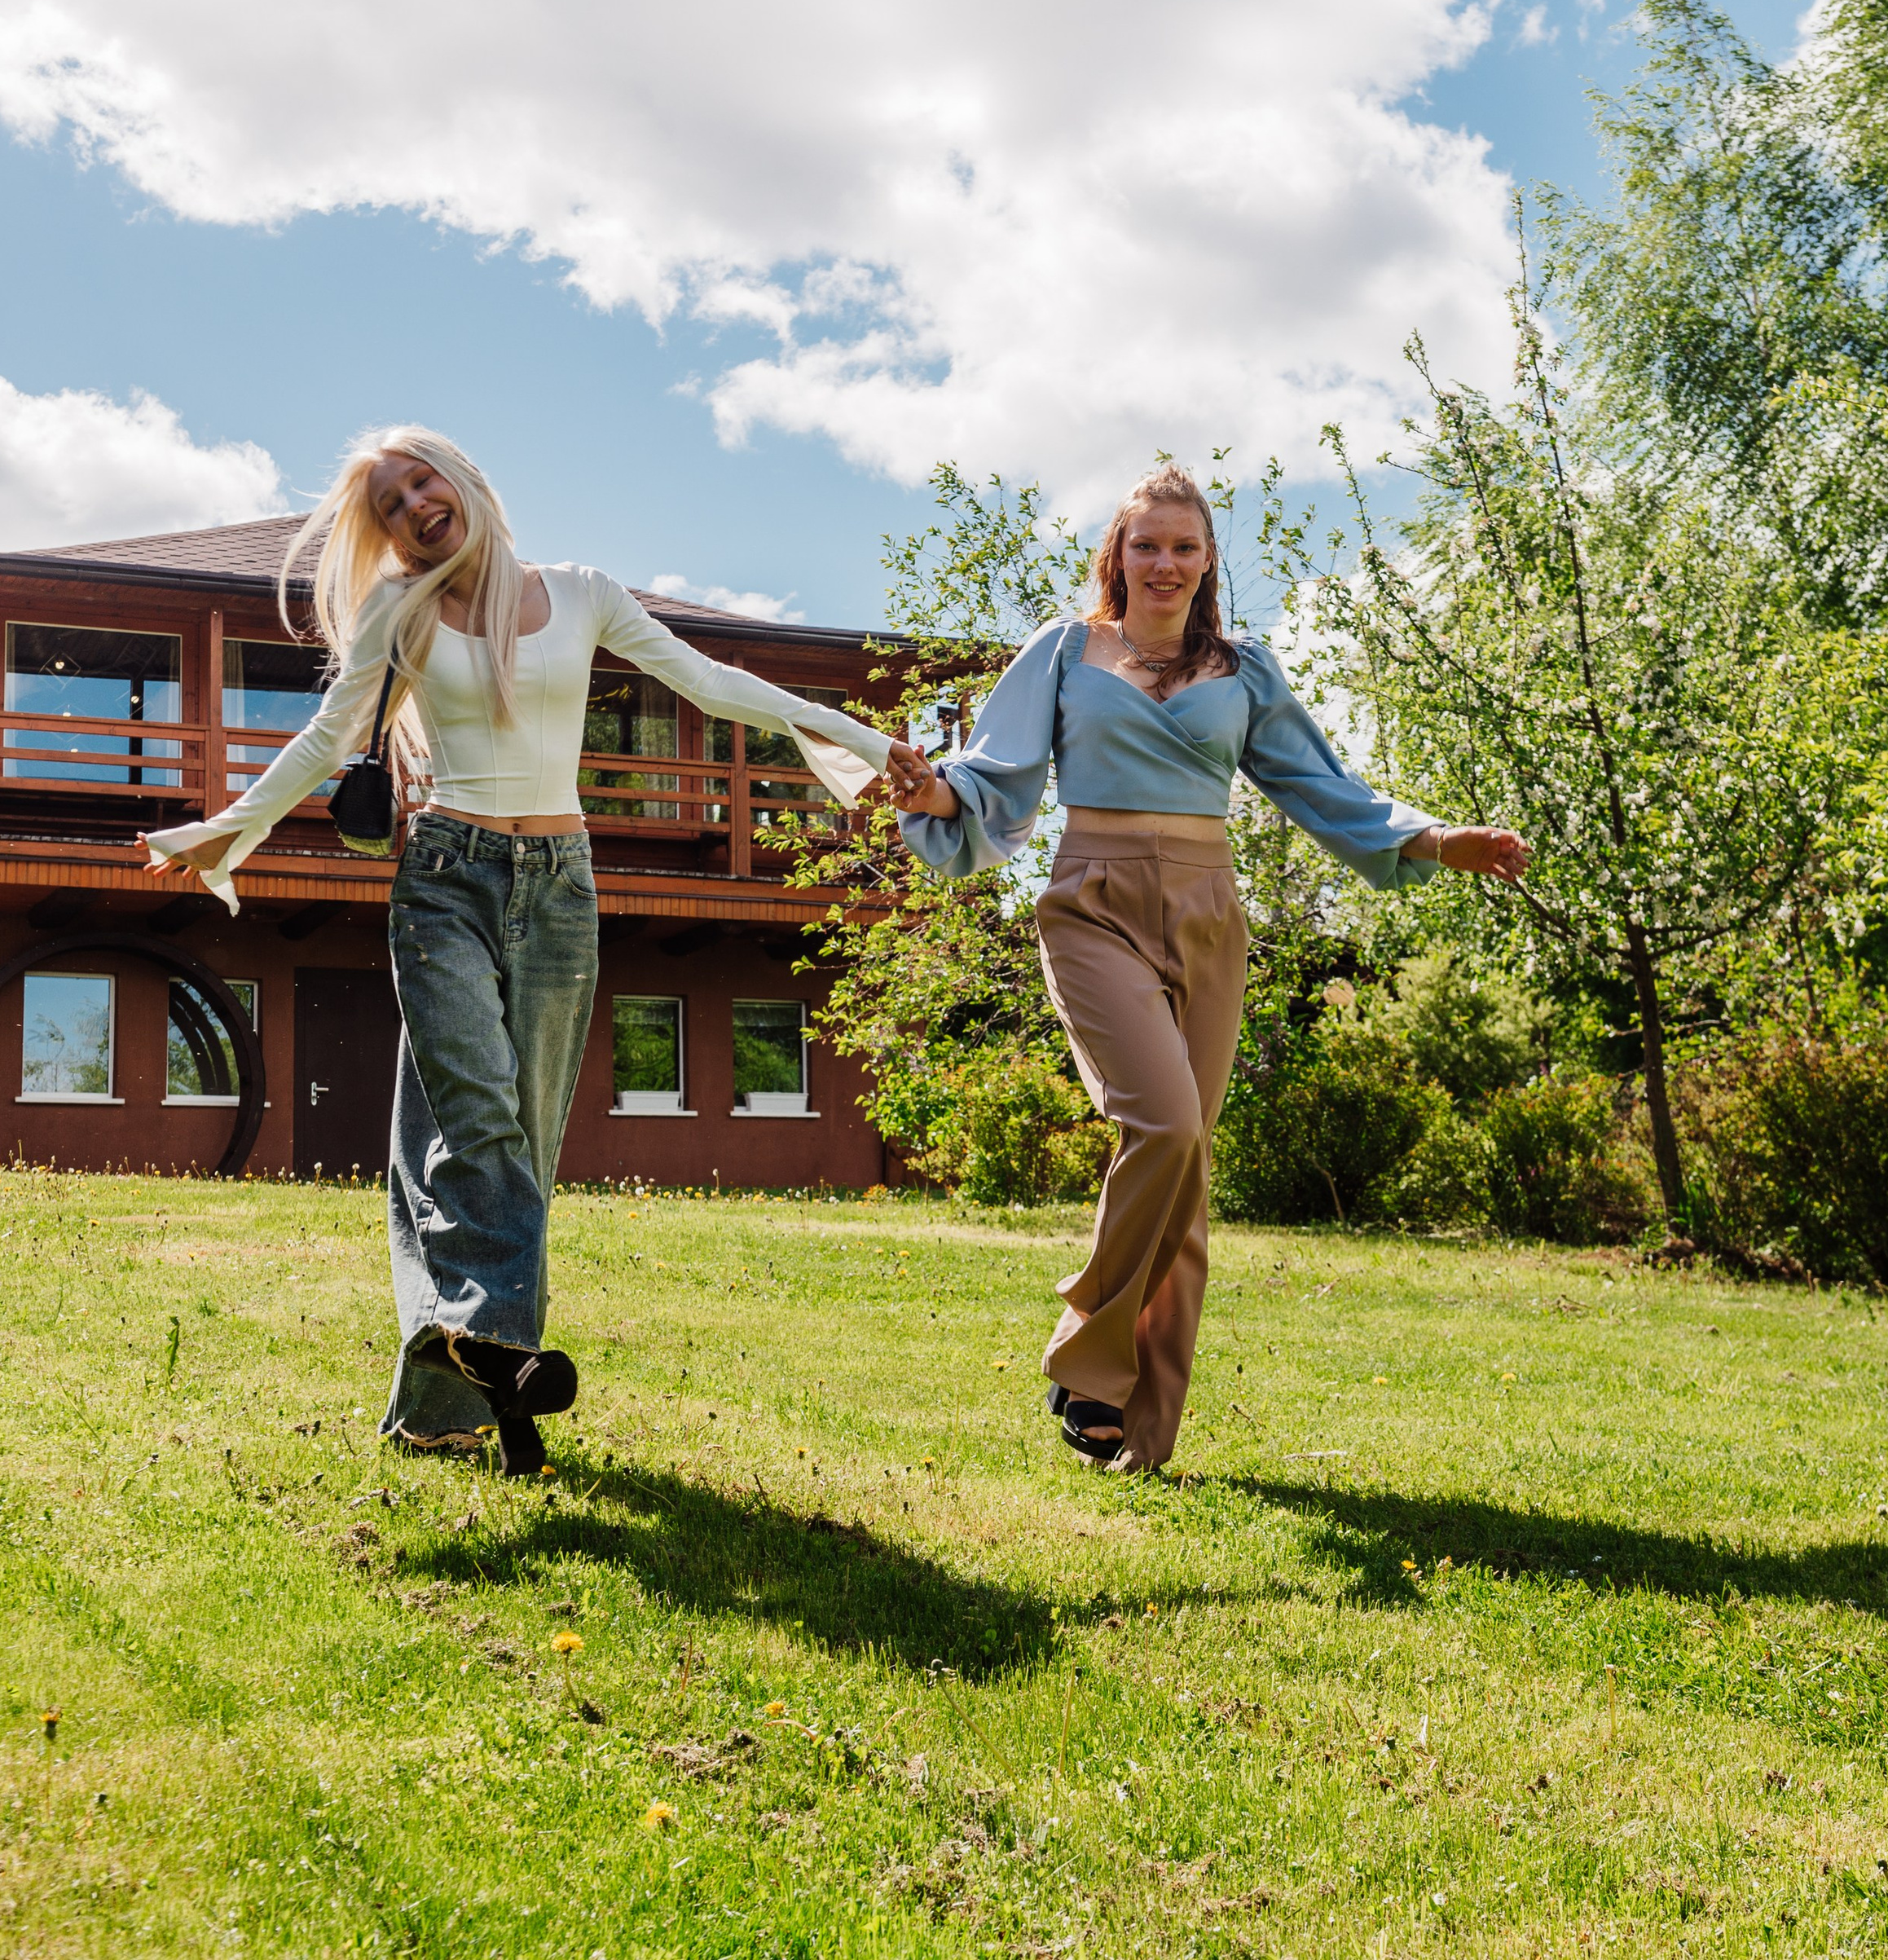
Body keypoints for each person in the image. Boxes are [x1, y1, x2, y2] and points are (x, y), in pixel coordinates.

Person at [140, 426, 932, 1475]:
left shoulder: (583, 592)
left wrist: (869, 744)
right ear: (387, 537)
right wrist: (226, 825)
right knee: (478, 1124)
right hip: (445, 883)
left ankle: (448, 1405)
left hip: (561, 887)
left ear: (462, 476)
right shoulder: (399, 613)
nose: (414, 505)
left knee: (517, 1140)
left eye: (420, 480)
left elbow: (711, 684)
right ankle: (501, 1346)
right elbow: (328, 738)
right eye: (390, 505)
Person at [888, 463, 1529, 1473]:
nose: (1165, 563)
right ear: (1117, 554)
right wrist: (933, 796)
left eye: (1185, 547)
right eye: (1147, 544)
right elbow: (992, 773)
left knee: (1186, 1167)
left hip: (1206, 907)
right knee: (1165, 1122)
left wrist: (1435, 841)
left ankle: (1138, 1425)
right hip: (1093, 900)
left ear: (1208, 562)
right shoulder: (1063, 651)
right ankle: (1089, 1356)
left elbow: (1324, 787)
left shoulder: (1246, 671)